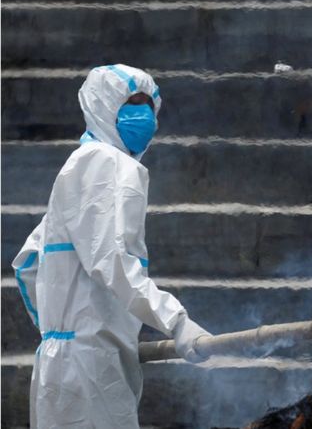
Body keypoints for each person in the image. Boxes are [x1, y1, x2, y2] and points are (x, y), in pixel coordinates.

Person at [11, 64, 211, 428]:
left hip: (60, 367)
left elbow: (28, 264)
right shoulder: (112, 165)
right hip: (93, 371)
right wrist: (177, 322)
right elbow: (113, 262)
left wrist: (62, 331)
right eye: (130, 104)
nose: (144, 116)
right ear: (103, 107)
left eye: (148, 105)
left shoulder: (78, 164)